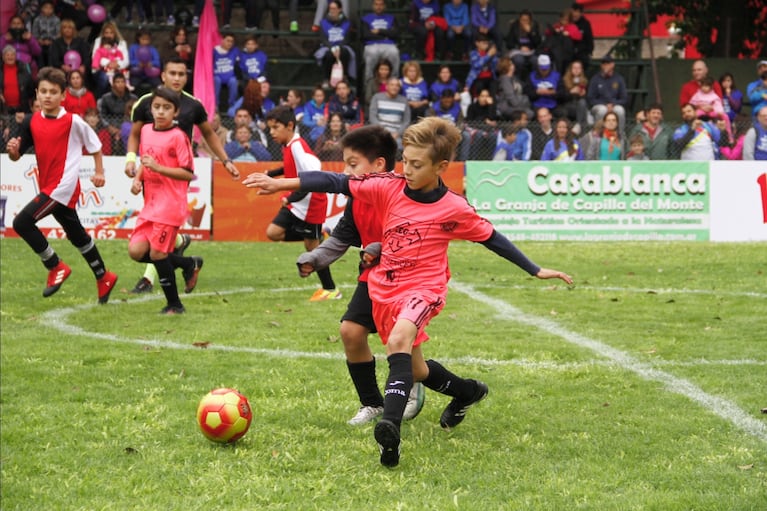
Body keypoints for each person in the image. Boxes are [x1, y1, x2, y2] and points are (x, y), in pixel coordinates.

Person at [243, 116, 573, 467]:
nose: (408, 170)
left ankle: (390, 429)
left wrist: (535, 269)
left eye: (417, 165)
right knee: (414, 368)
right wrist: (281, 185)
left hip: (424, 289)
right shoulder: (389, 186)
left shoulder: (454, 208)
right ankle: (467, 392)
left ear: (441, 166)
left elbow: (493, 239)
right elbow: (336, 180)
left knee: (398, 341)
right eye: (406, 161)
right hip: (385, 286)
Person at [293, 124, 426, 425]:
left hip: (406, 280)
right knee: (351, 333)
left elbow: (413, 234)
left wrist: (382, 246)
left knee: (403, 347)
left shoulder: (402, 192)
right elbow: (341, 239)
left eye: (352, 164)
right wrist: (314, 258)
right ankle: (372, 403)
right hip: (372, 277)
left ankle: (430, 387)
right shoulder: (356, 198)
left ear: (379, 164)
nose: (346, 171)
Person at [125, 57, 240, 294]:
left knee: (159, 232)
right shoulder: (147, 103)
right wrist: (131, 161)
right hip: (150, 176)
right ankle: (180, 245)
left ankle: (149, 279)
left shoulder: (193, 105)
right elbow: (136, 134)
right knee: (154, 234)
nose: (177, 78)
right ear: (163, 75)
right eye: (172, 73)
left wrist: (226, 160)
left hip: (176, 176)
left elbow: (209, 134)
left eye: (181, 74)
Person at [5, 66, 118, 303]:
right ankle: (104, 276)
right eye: (43, 91)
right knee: (77, 235)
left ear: (63, 95)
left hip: (61, 187)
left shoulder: (73, 121)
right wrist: (14, 151)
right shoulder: (31, 121)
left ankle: (55, 266)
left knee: (22, 222)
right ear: (36, 94)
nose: (47, 96)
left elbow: (95, 145)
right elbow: (18, 155)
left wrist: (99, 172)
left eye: (53, 92)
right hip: (49, 186)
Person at [128, 83, 198, 315]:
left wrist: (159, 168)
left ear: (175, 112)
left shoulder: (179, 137)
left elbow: (187, 172)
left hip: (170, 205)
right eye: (156, 107)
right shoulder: (146, 130)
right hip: (151, 204)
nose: (160, 112)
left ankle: (174, 305)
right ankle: (189, 264)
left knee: (158, 254)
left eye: (166, 108)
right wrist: (139, 178)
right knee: (136, 251)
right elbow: (146, 159)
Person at [259, 105, 340, 301]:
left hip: (312, 203)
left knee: (312, 250)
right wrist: (271, 174)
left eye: (275, 128)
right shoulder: (288, 144)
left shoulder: (297, 146)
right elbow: (291, 168)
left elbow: (314, 173)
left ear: (289, 125)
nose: (272, 132)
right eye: (270, 128)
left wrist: (289, 197)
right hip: (298, 202)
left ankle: (331, 290)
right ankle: (317, 236)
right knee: (273, 233)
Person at [314, 1, 356, 89]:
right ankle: (326, 79)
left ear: (340, 9)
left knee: (345, 52)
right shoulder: (323, 22)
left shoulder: (347, 22)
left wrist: (339, 48)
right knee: (328, 55)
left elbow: (347, 39)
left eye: (334, 8)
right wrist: (332, 48)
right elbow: (323, 39)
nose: (332, 11)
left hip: (342, 46)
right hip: (328, 46)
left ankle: (344, 77)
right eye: (330, 8)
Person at [586, 55, 627, 132]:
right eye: (604, 63)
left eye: (608, 63)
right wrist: (605, 104)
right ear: (601, 65)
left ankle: (620, 136)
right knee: (602, 110)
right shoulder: (595, 79)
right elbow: (590, 98)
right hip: (599, 106)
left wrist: (613, 104)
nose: (606, 65)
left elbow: (624, 98)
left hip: (614, 105)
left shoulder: (619, 78)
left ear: (613, 65)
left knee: (620, 110)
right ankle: (598, 135)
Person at [361, 0, 400, 81]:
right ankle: (369, 82)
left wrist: (379, 31)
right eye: (376, 4)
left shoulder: (391, 18)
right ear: (373, 6)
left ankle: (393, 81)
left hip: (389, 45)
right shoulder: (366, 18)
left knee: (394, 52)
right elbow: (366, 35)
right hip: (372, 45)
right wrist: (386, 35)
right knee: (372, 53)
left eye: (381, 5)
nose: (378, 7)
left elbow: (395, 34)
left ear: (384, 6)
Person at [369, 77, 410, 148]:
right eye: (392, 85)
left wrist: (397, 133)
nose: (395, 87)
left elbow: (406, 121)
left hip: (396, 135)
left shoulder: (404, 101)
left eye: (397, 85)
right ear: (387, 87)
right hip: (379, 133)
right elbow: (372, 117)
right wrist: (384, 132)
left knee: (400, 146)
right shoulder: (377, 97)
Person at [90, 22, 129, 98]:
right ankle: (99, 99)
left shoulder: (122, 43)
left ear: (115, 34)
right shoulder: (98, 41)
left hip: (117, 69)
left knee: (121, 80)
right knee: (104, 79)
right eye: (106, 33)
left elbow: (126, 61)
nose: (108, 35)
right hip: (101, 69)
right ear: (103, 33)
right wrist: (108, 63)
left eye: (111, 33)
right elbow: (95, 57)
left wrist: (117, 64)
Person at [505, 9, 542, 81]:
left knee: (535, 61)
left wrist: (531, 32)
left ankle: (534, 80)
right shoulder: (515, 26)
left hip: (531, 52)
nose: (524, 22)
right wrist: (519, 47)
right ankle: (518, 80)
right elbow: (509, 43)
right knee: (519, 60)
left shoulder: (534, 26)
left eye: (526, 20)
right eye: (522, 20)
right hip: (518, 51)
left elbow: (538, 42)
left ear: (530, 20)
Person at [3, 15, 41, 79]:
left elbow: (37, 52)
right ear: (10, 25)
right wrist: (6, 41)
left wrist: (30, 40)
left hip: (27, 65)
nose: (16, 26)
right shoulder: (5, 37)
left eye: (18, 23)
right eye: (14, 23)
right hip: (9, 64)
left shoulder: (28, 36)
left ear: (23, 25)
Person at [495, 56, 532, 121]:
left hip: (517, 104)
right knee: (529, 113)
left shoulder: (514, 78)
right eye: (511, 64)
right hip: (507, 106)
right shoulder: (505, 79)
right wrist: (525, 99)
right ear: (507, 66)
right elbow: (512, 99)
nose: (513, 65)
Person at [0, 45, 34, 114]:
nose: (10, 57)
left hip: (21, 108)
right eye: (7, 55)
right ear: (3, 57)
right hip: (3, 109)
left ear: (15, 56)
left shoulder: (23, 69)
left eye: (12, 55)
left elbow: (31, 89)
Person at [160, 25, 194, 93]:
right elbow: (164, 59)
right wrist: (175, 51)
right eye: (179, 35)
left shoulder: (189, 45)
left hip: (187, 71)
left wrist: (190, 53)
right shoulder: (167, 45)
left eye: (183, 35)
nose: (182, 37)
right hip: (171, 70)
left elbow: (195, 62)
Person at [128, 29, 162, 96]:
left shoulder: (152, 49)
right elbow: (130, 61)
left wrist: (151, 64)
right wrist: (138, 63)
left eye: (147, 39)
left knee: (158, 85)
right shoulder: (133, 48)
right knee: (132, 86)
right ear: (138, 38)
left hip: (150, 74)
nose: (145, 41)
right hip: (137, 74)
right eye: (143, 39)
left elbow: (157, 62)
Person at [464, 33, 498, 98]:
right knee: (479, 85)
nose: (486, 45)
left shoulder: (489, 53)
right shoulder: (473, 53)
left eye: (487, 43)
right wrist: (488, 55)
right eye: (483, 43)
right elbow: (476, 65)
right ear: (477, 43)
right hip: (477, 78)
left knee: (494, 85)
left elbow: (495, 65)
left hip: (490, 77)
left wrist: (494, 56)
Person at [213, 32, 239, 113]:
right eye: (228, 41)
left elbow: (239, 61)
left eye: (232, 41)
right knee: (216, 80)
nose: (230, 43)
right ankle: (215, 105)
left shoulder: (235, 51)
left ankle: (232, 106)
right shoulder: (214, 51)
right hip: (218, 76)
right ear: (222, 40)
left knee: (234, 81)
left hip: (230, 77)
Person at [560, 59, 589, 128]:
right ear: (571, 69)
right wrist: (570, 92)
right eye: (574, 68)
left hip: (580, 106)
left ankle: (579, 126)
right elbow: (560, 97)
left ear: (581, 70)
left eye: (578, 68)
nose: (576, 70)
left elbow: (589, 98)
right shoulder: (563, 80)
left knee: (582, 102)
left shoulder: (585, 81)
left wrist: (583, 94)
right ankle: (581, 128)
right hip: (567, 105)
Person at [31, 0, 60, 68]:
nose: (48, 10)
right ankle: (41, 68)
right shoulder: (37, 20)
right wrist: (41, 41)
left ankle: (50, 68)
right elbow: (35, 34)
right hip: (41, 41)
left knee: (52, 48)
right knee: (38, 48)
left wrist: (51, 41)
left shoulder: (56, 20)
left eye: (50, 8)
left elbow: (58, 34)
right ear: (41, 9)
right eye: (46, 8)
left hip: (53, 41)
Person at [570, 2, 594, 70]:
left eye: (577, 12)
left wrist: (589, 52)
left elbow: (589, 39)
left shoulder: (585, 24)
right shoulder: (567, 22)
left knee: (584, 60)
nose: (575, 14)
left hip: (581, 52)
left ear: (581, 13)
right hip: (569, 51)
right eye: (574, 11)